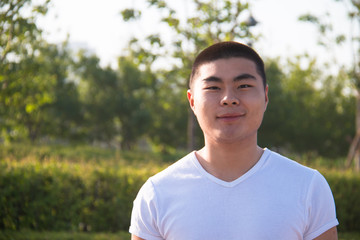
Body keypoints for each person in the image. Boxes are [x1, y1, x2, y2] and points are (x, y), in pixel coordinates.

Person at [129, 41, 339, 240]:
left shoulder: (308, 186)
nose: (229, 98)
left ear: (265, 97)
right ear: (192, 101)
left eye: (244, 86)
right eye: (213, 88)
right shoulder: (156, 194)